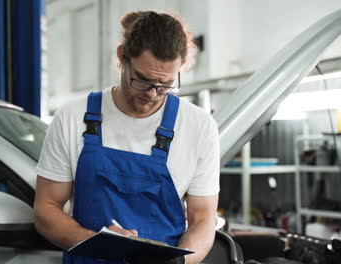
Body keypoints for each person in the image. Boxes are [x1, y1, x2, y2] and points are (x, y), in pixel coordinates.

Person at [34, 10, 220, 264]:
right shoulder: (73, 117)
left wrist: (177, 263)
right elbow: (46, 209)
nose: (152, 94)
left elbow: (203, 220)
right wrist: (97, 242)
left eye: (165, 84)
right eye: (142, 80)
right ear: (122, 57)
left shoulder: (198, 126)